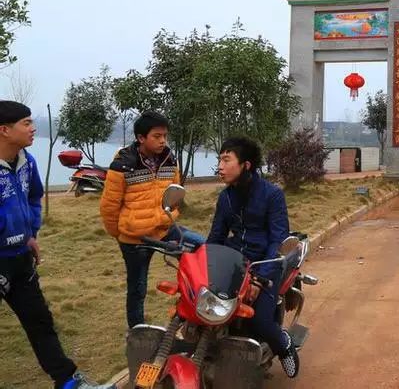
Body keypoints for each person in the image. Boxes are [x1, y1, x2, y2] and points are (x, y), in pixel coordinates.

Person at [0, 101, 117, 389]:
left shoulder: (28, 161)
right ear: (4, 130)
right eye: (26, 123)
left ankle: (69, 383)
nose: (33, 128)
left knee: (40, 322)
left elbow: (32, 198)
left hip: (21, 259)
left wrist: (31, 234)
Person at [100, 111, 204, 329]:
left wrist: (171, 215)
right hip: (135, 238)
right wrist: (120, 234)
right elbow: (109, 206)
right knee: (137, 288)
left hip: (166, 229)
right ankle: (137, 332)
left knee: (203, 248)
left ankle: (199, 317)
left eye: (164, 135)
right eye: (157, 136)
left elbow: (175, 192)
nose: (163, 140)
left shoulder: (169, 159)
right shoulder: (123, 164)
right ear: (141, 138)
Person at [207, 136, 300, 378]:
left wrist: (260, 278)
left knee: (260, 321)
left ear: (246, 165)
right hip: (235, 262)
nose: (220, 166)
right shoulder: (225, 197)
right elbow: (216, 237)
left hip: (267, 263)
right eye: (219, 160)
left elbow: (277, 241)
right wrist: (203, 264)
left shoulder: (272, 195)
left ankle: (284, 344)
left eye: (226, 160)